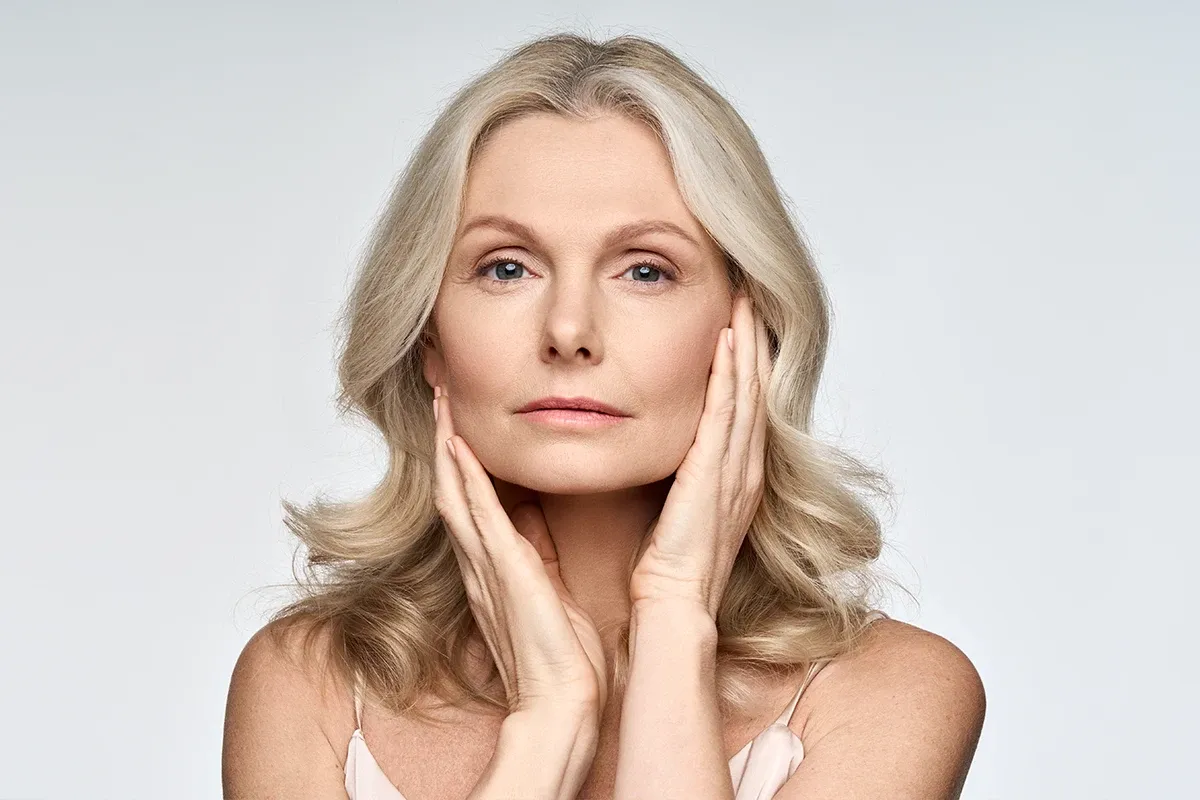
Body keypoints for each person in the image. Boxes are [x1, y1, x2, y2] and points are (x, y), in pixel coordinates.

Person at [222, 30, 985, 800]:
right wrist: (547, 722)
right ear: (430, 337)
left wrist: (677, 618)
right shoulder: (310, 684)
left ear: (749, 327)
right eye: (507, 267)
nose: (568, 330)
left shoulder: (890, 693)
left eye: (645, 270)